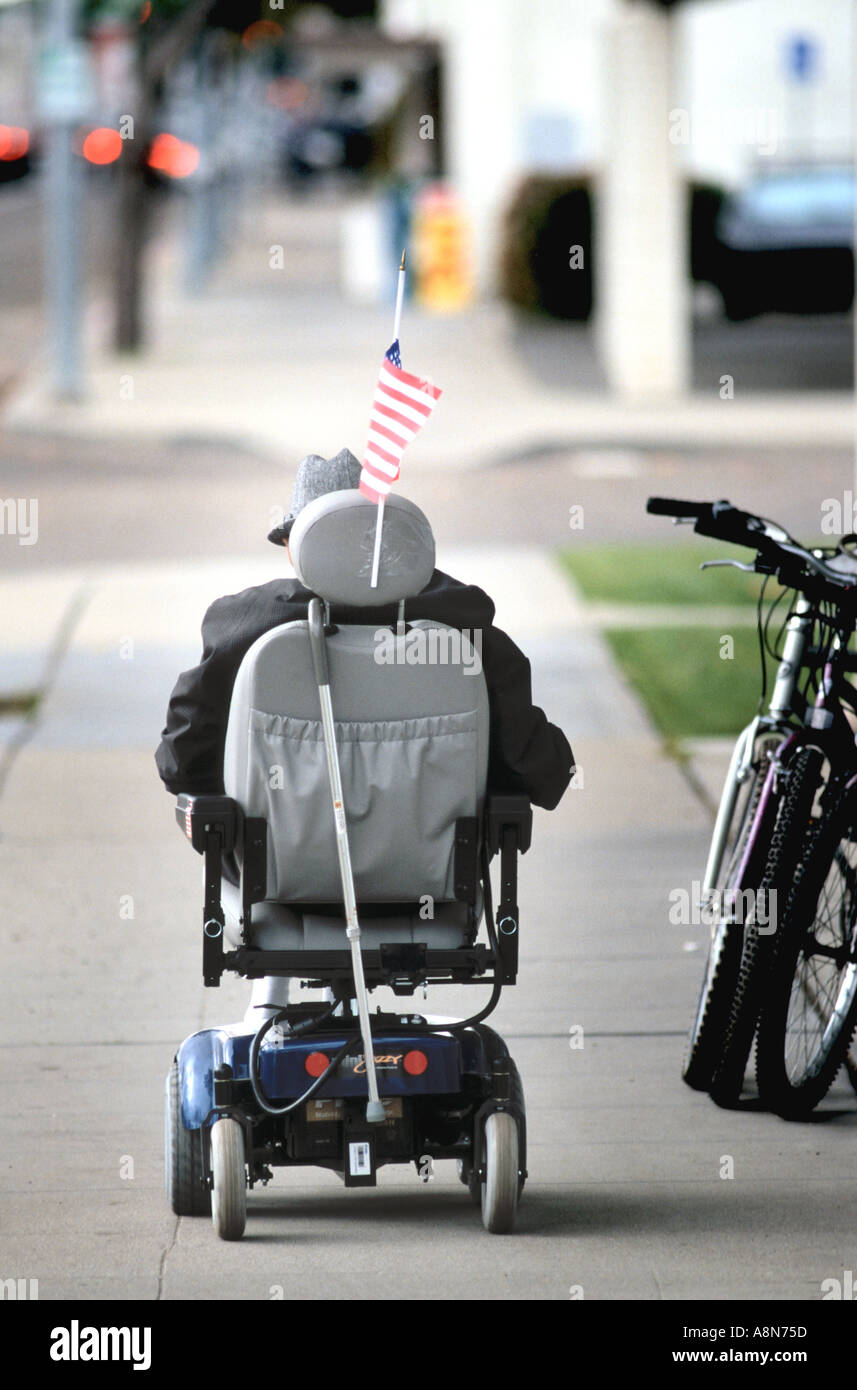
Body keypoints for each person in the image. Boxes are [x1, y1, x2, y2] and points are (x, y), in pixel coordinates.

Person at [155, 449, 574, 813]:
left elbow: (180, 762)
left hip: (272, 876)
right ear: (388, 537)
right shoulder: (465, 625)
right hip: (442, 876)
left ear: (294, 544)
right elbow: (542, 771)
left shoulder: (242, 627)